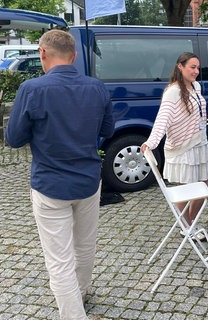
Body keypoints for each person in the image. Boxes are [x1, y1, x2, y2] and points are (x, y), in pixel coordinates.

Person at [5, 29, 114, 320]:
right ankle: (82, 292)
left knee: (59, 260)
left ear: (42, 53)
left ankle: (74, 314)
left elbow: (14, 138)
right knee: (85, 246)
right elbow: (107, 131)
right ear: (74, 55)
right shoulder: (97, 87)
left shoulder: (33, 89)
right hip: (89, 182)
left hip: (50, 184)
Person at [141, 52, 208, 238]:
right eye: (192, 67)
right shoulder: (173, 91)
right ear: (180, 67)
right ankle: (186, 225)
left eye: (198, 67)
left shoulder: (196, 86)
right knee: (185, 190)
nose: (196, 71)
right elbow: (162, 120)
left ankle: (190, 222)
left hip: (199, 144)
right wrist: (151, 143)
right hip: (182, 148)